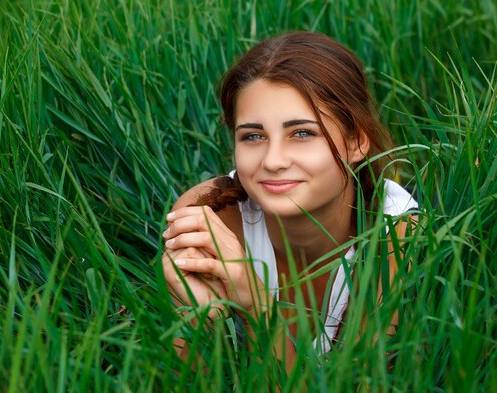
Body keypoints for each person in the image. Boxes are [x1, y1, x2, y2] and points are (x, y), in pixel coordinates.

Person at [161, 31, 418, 366]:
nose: (273, 160)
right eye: (253, 136)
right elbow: (180, 379)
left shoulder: (397, 237)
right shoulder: (210, 216)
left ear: (356, 142)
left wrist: (257, 306)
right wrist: (199, 324)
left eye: (302, 133)